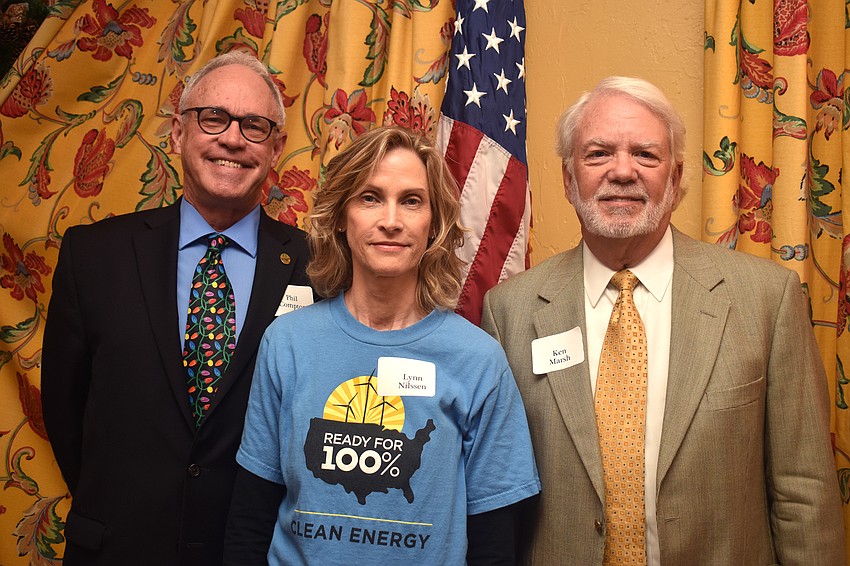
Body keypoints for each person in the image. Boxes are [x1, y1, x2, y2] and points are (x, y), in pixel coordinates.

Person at [480, 76, 845, 565]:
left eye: (646, 156)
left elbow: (803, 489)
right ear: (569, 180)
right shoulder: (510, 310)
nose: (622, 172)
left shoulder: (765, 299)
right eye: (597, 154)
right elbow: (495, 496)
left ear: (675, 181)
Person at [41, 51, 313, 565]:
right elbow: (64, 410)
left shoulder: (316, 268)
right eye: (213, 117)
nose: (232, 139)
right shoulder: (93, 255)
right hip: (118, 549)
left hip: (251, 553)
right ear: (177, 134)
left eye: (255, 126)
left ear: (275, 149)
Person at [224, 126, 541, 565]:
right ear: (340, 215)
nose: (390, 220)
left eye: (411, 201)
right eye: (370, 197)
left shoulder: (478, 360)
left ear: (434, 223)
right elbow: (251, 515)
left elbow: (495, 539)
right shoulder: (287, 343)